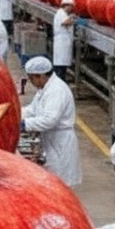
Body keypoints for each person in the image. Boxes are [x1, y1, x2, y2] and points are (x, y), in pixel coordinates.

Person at [20, 56, 82, 187]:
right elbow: (32, 109)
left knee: (61, 184)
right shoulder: (44, 89)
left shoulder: (57, 90)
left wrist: (24, 124)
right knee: (54, 180)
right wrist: (14, 112)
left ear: (41, 76)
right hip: (52, 139)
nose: (31, 82)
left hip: (60, 142)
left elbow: (49, 120)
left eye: (32, 78)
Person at [52, 0, 77, 81]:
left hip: (63, 43)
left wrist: (71, 18)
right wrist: (74, 20)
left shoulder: (64, 14)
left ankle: (61, 81)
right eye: (71, 7)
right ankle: (59, 83)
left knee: (62, 66)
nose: (72, 9)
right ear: (66, 5)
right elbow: (65, 22)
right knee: (60, 68)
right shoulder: (61, 13)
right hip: (61, 43)